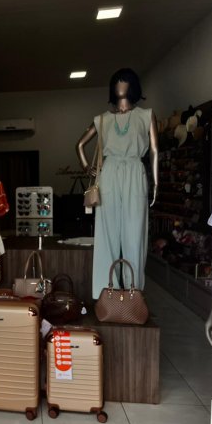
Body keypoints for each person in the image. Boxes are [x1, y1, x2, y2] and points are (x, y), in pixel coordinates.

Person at [75, 68, 159, 299]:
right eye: (117, 81)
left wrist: (156, 182)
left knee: (135, 235)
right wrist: (87, 167)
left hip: (135, 171)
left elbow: (154, 150)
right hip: (109, 173)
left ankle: (133, 293)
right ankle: (107, 293)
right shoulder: (102, 119)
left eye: (125, 81)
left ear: (133, 86)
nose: (120, 84)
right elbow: (79, 145)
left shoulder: (146, 115)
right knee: (107, 235)